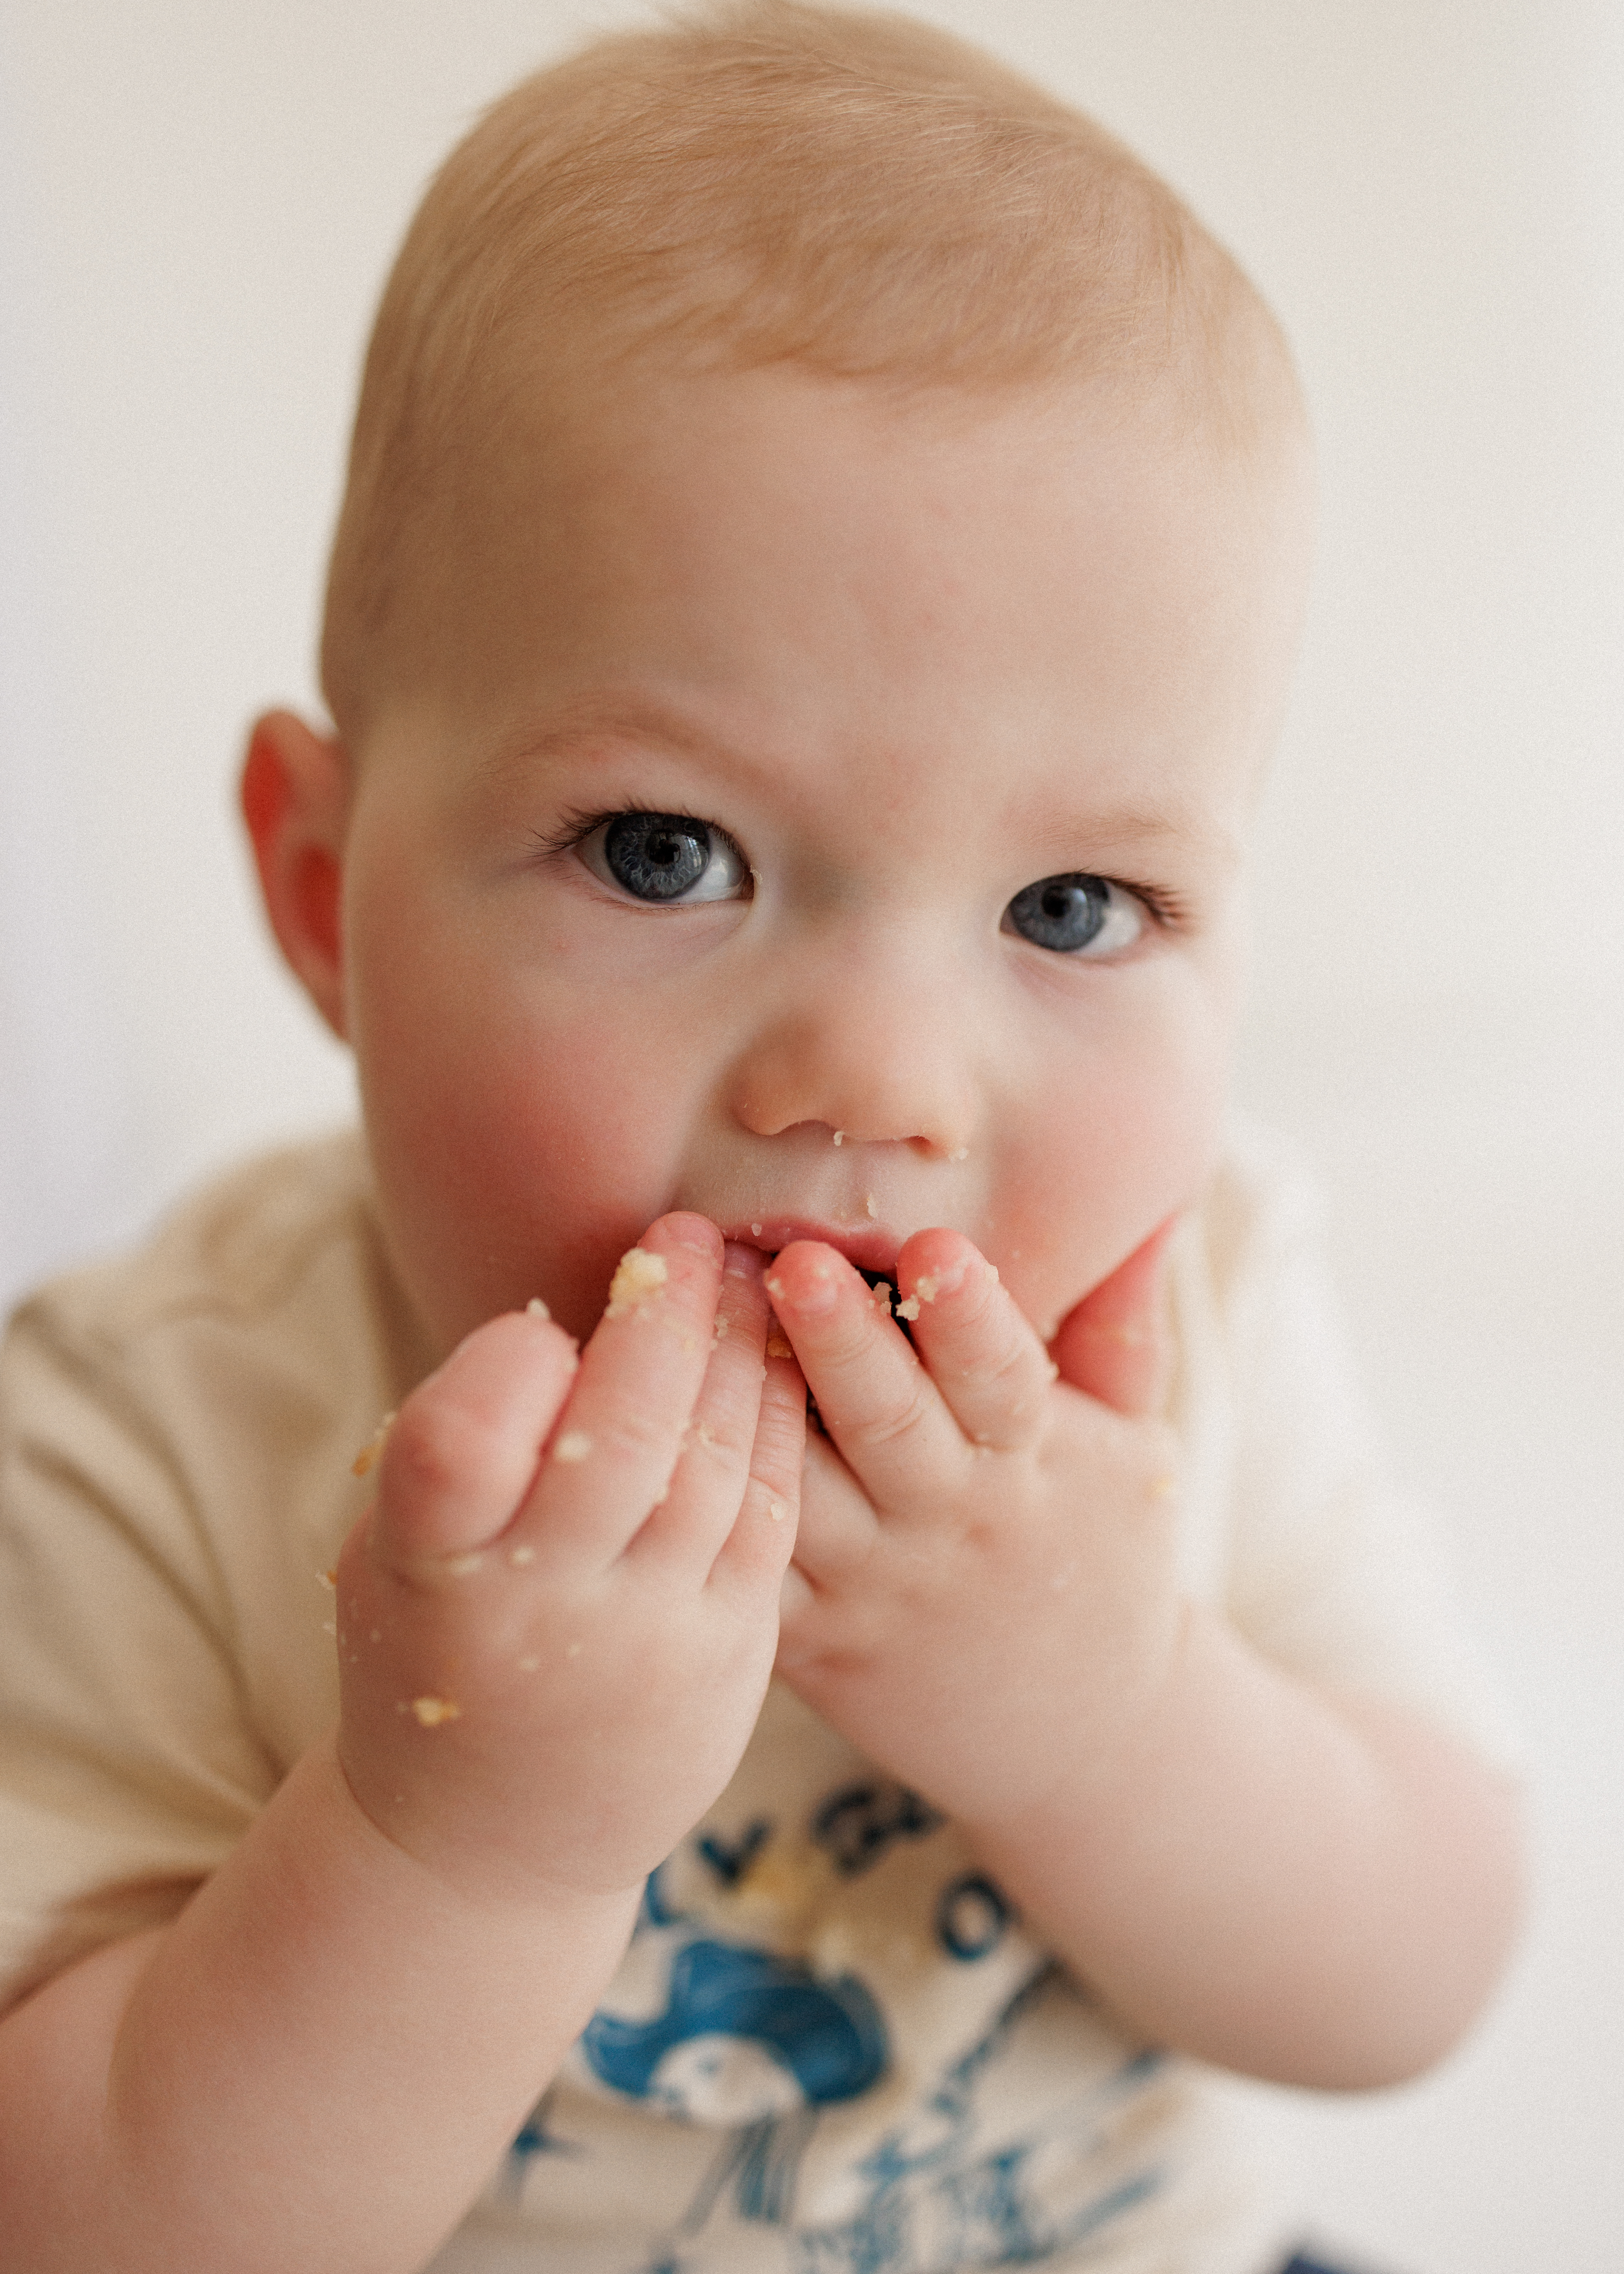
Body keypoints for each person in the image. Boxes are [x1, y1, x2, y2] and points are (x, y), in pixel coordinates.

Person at [0, 6, 1525, 2269]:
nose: (882, 1084)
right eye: (661, 854)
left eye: (1073, 906)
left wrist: (1112, 1713)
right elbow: (85, 2222)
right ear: (328, 896)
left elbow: (1426, 1964)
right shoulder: (140, 1429)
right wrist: (456, 1842)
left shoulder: (1183, 1316)